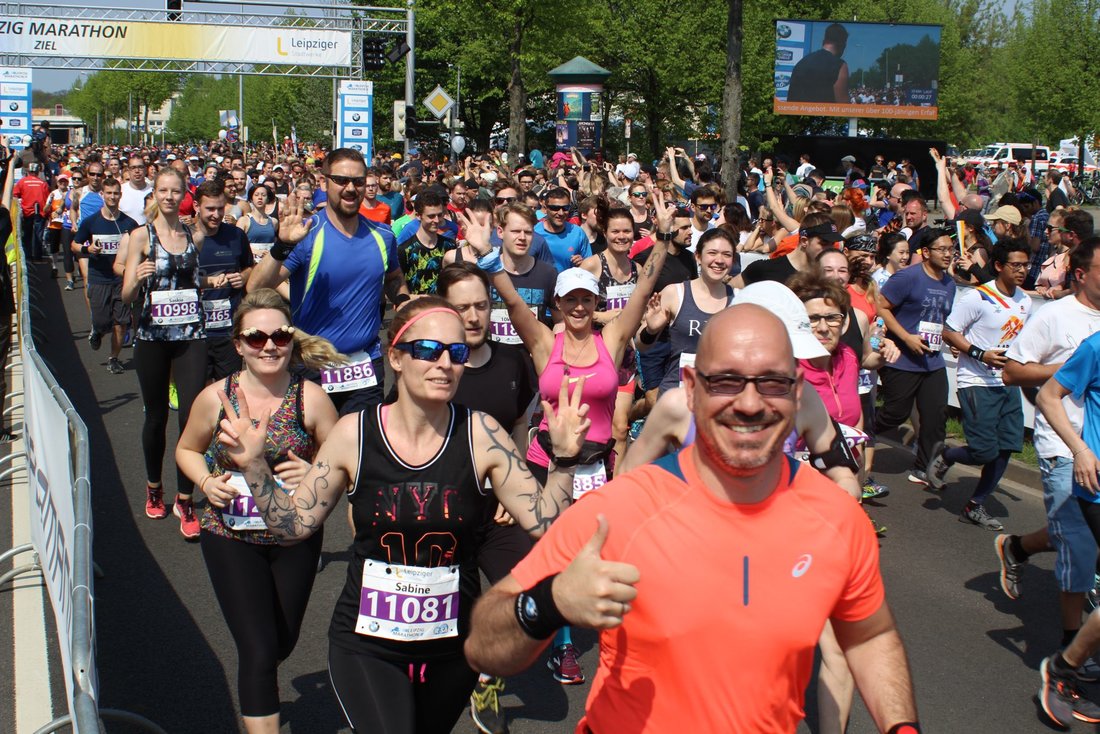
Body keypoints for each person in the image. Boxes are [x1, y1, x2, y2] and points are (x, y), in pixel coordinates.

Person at [463, 304, 919, 733]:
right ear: (691, 386)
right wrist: (548, 602)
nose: (750, 403)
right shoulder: (623, 510)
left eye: (773, 383)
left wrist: (902, 727)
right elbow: (484, 644)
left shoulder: (836, 517)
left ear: (799, 391)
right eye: (725, 381)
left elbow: (869, 636)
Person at [213, 297, 590, 733]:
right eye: (428, 350)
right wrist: (255, 467)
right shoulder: (353, 434)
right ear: (395, 356)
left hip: (453, 644)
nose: (444, 363)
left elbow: (545, 524)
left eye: (457, 352)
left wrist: (563, 461)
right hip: (367, 643)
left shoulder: (481, 433)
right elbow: (293, 527)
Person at [465, 197, 671, 684]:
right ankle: (559, 647)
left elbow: (644, 289)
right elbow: (513, 303)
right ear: (557, 304)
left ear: (597, 304)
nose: (579, 307)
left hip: (596, 467)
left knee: (598, 551)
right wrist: (489, 259)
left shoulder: (613, 339)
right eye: (570, 300)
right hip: (547, 461)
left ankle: (612, 636)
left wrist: (661, 239)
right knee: (551, 549)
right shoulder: (543, 343)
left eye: (587, 299)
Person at [175, 289, 340, 734]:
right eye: (256, 337)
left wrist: (314, 469)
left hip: (295, 536)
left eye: (280, 336)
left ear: (292, 340)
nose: (269, 346)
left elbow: (339, 460)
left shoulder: (312, 399)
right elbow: (187, 449)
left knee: (282, 641)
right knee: (259, 650)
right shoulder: (216, 398)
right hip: (230, 535)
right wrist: (206, 482)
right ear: (238, 344)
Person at [435, 264, 539, 734]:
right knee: (445, 615)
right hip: (440, 509)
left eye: (481, 305)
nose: (474, 316)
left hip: (496, 510)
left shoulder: (513, 360)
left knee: (522, 593)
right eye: (462, 307)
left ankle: (487, 680)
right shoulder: (432, 367)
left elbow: (520, 425)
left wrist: (512, 482)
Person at [246, 148, 410, 416]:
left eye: (357, 181)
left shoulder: (383, 235)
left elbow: (393, 277)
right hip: (312, 364)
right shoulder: (307, 234)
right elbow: (256, 287)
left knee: (358, 450)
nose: (350, 188)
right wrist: (282, 246)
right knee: (314, 452)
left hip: (364, 366)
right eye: (341, 180)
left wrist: (402, 299)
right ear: (324, 183)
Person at [997, 237, 1100, 640]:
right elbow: (1013, 372)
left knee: (1077, 534)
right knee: (1078, 542)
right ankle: (1071, 648)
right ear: (1080, 274)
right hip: (1064, 444)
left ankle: (1017, 547)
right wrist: (1069, 368)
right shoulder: (1055, 316)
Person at [121, 166, 208, 539]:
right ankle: (154, 487)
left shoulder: (194, 235)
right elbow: (125, 297)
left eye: (176, 191)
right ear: (154, 195)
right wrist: (137, 278)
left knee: (191, 416)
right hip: (153, 335)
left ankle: (185, 499)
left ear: (184, 194)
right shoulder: (141, 236)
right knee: (156, 416)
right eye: (163, 191)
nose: (170, 197)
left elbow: (197, 279)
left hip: (190, 333)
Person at [926, 241, 1032, 530]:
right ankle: (947, 454)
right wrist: (979, 353)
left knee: (1007, 447)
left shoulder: (1025, 300)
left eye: (1026, 265)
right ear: (999, 266)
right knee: (984, 451)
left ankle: (975, 505)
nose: (1022, 271)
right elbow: (949, 331)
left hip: (1007, 383)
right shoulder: (977, 298)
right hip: (976, 381)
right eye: (1016, 265)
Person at [874, 226, 956, 485]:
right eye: (941, 249)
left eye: (950, 249)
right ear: (925, 252)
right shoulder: (907, 277)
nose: (947, 254)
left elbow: (939, 320)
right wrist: (906, 337)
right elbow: (882, 306)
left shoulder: (949, 283)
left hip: (932, 361)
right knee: (895, 414)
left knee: (935, 417)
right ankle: (854, 435)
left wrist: (951, 340)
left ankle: (924, 468)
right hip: (903, 360)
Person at [640, 228, 736, 394]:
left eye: (727, 254)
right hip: (678, 396)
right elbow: (640, 346)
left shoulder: (739, 300)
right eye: (712, 253)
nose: (719, 260)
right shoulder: (675, 293)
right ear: (698, 256)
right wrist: (651, 330)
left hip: (720, 396)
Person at [73, 175, 139, 374]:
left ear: (121, 195)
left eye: (116, 193)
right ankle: (97, 330)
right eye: (108, 193)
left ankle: (114, 358)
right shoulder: (91, 222)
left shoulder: (130, 223)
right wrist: (88, 250)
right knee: (102, 320)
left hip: (121, 278)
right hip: (99, 277)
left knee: (121, 322)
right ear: (102, 195)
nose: (112, 197)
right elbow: (74, 245)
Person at [194, 180, 254, 381]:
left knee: (229, 391)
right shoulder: (184, 237)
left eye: (220, 209)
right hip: (194, 331)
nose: (216, 215)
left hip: (227, 330)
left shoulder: (236, 234)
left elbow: (249, 267)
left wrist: (243, 277)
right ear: (196, 206)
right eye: (210, 209)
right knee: (196, 395)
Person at [734, 212, 842, 287]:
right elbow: (729, 292)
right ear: (804, 241)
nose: (829, 250)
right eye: (824, 243)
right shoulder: (764, 270)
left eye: (832, 244)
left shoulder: (828, 278)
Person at [397, 188, 455, 295]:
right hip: (417, 309)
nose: (437, 220)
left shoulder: (450, 245)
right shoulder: (405, 250)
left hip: (443, 307)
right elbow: (398, 283)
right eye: (431, 216)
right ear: (418, 216)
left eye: (439, 215)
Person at [786, 22, 850, 104]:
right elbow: (844, 107)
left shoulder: (801, 63)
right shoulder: (840, 65)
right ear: (843, 45)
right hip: (824, 115)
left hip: (796, 115)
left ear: (824, 41)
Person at [534, 187, 591, 271]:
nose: (561, 213)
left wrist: (583, 263)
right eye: (555, 208)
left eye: (565, 208)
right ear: (545, 209)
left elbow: (590, 265)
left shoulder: (577, 233)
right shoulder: (534, 232)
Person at [13, 162, 49, 262]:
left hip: (26, 212)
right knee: (38, 235)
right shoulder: (43, 183)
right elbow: (47, 199)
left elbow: (15, 195)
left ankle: (27, 256)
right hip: (40, 212)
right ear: (37, 172)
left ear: (28, 171)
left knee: (26, 235)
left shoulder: (22, 182)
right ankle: (37, 256)